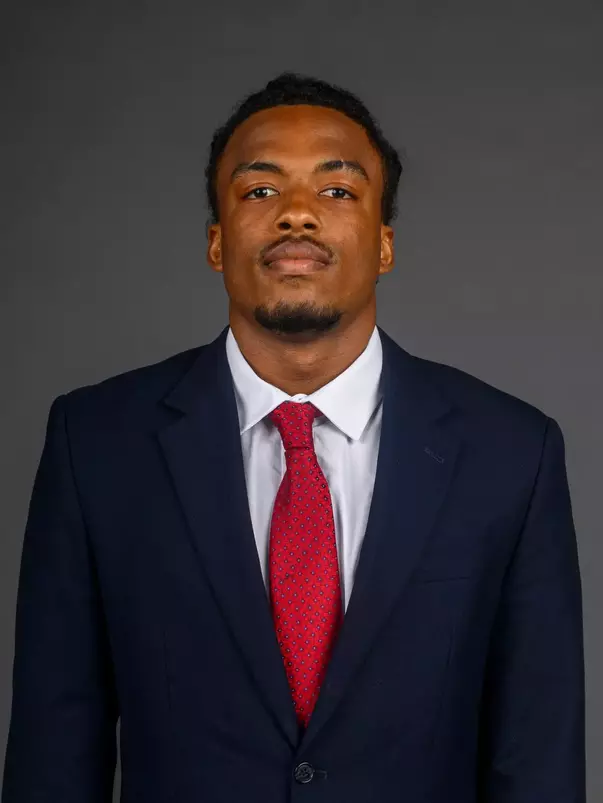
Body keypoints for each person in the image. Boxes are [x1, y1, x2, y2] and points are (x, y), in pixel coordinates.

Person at [2, 72, 585, 803]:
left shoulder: (512, 454)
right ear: (217, 242)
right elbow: (54, 749)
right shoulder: (96, 445)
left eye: (337, 190)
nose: (297, 214)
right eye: (259, 190)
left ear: (384, 244)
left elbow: (538, 757)